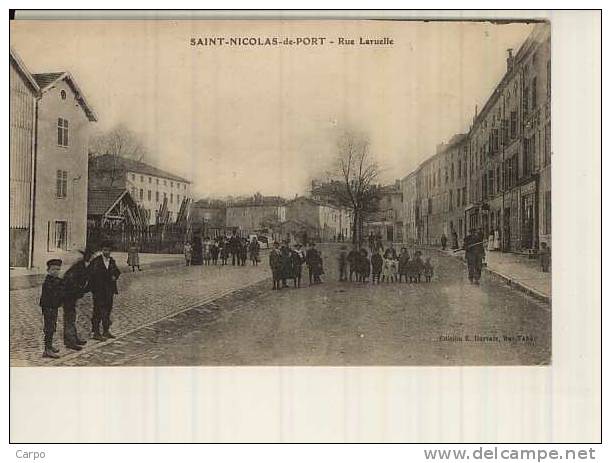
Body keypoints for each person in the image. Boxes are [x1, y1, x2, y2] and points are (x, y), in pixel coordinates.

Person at [88, 240, 121, 340]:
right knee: (97, 311)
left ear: (110, 251)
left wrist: (115, 276)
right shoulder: (96, 261)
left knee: (107, 310)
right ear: (102, 250)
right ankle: (96, 332)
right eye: (104, 250)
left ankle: (106, 331)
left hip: (109, 290)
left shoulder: (111, 261)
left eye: (108, 250)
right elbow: (90, 274)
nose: (106, 252)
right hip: (99, 291)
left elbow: (117, 272)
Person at [62, 249, 93, 350]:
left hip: (73, 295)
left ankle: (73, 338)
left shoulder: (85, 266)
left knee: (72, 316)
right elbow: (70, 280)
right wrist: (79, 290)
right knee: (69, 317)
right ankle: (70, 341)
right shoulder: (78, 266)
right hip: (68, 294)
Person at [39, 259, 64, 358]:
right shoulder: (48, 281)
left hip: (53, 306)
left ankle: (49, 346)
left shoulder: (56, 280)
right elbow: (56, 292)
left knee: (52, 326)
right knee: (49, 327)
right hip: (48, 307)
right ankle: (47, 350)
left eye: (58, 269)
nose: (56, 271)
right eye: (53, 269)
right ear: (48, 270)